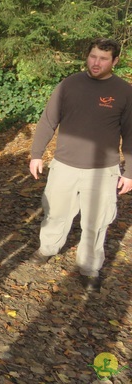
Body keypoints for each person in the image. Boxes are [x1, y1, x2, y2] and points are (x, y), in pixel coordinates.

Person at [29, 38, 132, 293]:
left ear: (115, 61)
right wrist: (36, 154)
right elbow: (47, 120)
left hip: (103, 170)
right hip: (64, 165)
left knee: (96, 223)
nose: (96, 63)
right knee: (55, 212)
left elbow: (131, 134)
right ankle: (47, 248)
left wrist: (130, 172)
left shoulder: (124, 91)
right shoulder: (69, 85)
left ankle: (89, 268)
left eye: (104, 58)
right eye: (93, 56)